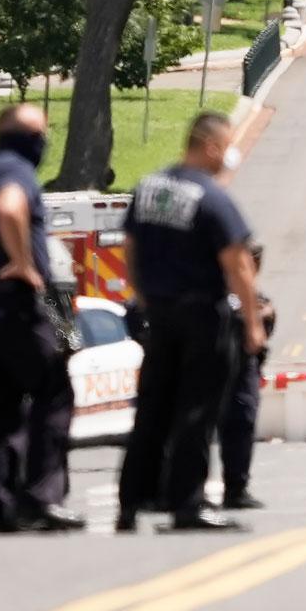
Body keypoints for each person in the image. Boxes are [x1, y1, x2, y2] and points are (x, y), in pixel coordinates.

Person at [116, 112, 266, 532]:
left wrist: (145, 295)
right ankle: (187, 504)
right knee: (197, 412)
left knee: (152, 411)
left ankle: (131, 502)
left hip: (160, 315)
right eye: (229, 144)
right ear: (212, 146)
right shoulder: (210, 197)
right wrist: (252, 321)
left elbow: (130, 245)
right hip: (202, 314)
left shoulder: (148, 188)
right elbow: (237, 264)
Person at [0, 104, 84, 533]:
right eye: (42, 134)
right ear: (28, 138)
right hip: (16, 301)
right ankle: (42, 497)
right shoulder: (15, 172)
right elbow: (10, 208)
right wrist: (22, 262)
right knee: (53, 388)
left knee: (1, 404)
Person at [218, 242, 275, 510]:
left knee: (242, 419)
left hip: (242, 365)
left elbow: (267, 323)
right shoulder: (214, 289)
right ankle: (186, 494)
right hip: (211, 360)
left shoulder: (255, 296)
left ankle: (236, 489)